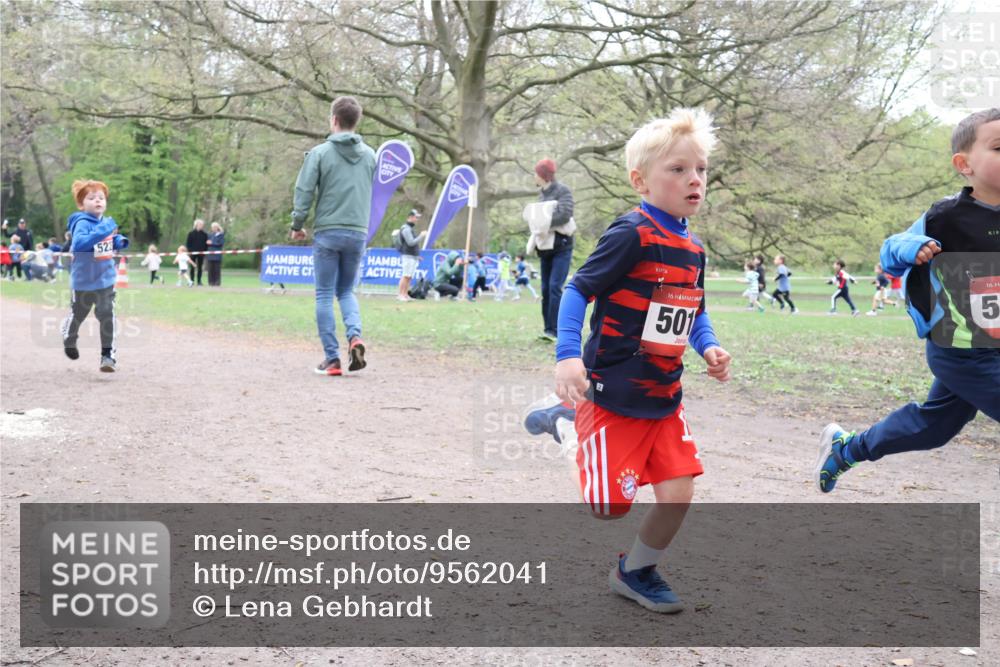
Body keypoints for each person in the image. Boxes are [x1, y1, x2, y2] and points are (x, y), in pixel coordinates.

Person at [551, 108, 732, 613]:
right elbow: (576, 290)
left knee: (677, 494)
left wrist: (709, 346)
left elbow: (694, 311)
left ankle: (636, 571)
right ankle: (566, 426)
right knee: (608, 507)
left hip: (664, 396)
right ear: (641, 180)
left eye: (700, 169)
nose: (693, 179)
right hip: (611, 395)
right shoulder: (630, 233)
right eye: (677, 169)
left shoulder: (692, 249)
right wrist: (568, 356)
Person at [815, 107, 1000, 493]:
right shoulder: (945, 217)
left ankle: (846, 449)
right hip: (962, 350)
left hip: (995, 349)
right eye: (999, 147)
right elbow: (889, 252)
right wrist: (912, 248)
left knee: (934, 427)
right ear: (964, 164)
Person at [291, 95, 376, 376]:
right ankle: (355, 337)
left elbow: (304, 192)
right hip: (357, 233)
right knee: (346, 291)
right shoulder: (371, 156)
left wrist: (297, 224)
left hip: (328, 231)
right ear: (357, 121)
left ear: (334, 120)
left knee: (325, 293)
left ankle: (332, 359)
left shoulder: (320, 153)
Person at [60, 179, 129, 372]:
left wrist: (118, 240)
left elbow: (104, 241)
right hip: (83, 282)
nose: (98, 200)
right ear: (82, 204)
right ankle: (69, 336)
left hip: (105, 279)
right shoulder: (81, 222)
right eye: (92, 198)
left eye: (101, 197)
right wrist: (106, 229)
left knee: (107, 315)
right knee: (78, 315)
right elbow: (81, 244)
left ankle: (108, 356)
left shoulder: (103, 223)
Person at [533, 158, 575, 339]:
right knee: (544, 289)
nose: (534, 176)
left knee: (555, 287)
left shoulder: (562, 191)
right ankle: (547, 328)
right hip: (545, 249)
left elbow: (565, 214)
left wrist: (543, 223)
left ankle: (557, 330)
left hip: (562, 247)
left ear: (543, 175)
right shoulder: (541, 195)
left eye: (536, 173)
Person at [396, 209, 426, 302]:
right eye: (416, 217)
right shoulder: (406, 229)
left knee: (409, 276)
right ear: (410, 217)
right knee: (405, 275)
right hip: (407, 256)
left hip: (412, 256)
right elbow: (411, 243)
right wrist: (421, 236)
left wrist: (417, 256)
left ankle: (405, 294)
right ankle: (400, 294)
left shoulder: (410, 229)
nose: (417, 219)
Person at [185, 219, 209, 286]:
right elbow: (188, 243)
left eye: (202, 225)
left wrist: (205, 251)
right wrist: (190, 251)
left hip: (201, 253)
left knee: (200, 267)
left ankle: (199, 281)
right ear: (196, 225)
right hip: (193, 253)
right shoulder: (191, 233)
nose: (201, 226)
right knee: (192, 267)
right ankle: (191, 281)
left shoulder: (205, 234)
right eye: (200, 224)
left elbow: (206, 244)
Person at [206, 222, 225, 286]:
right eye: (212, 227)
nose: (213, 228)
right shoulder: (210, 235)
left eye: (214, 227)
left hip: (217, 255)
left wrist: (212, 243)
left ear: (217, 227)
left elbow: (220, 243)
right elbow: (208, 243)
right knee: (210, 269)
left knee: (217, 269)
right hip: (210, 254)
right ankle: (210, 282)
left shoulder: (221, 235)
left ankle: (217, 282)